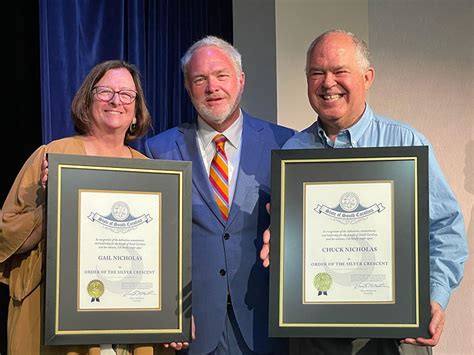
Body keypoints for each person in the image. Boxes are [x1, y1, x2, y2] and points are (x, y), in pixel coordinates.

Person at [260, 30, 468, 354]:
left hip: (394, 338)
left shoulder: (405, 144)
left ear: (367, 77)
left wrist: (435, 296)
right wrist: (281, 242)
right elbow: (288, 238)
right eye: (317, 73)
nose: (328, 83)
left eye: (340, 71)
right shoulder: (294, 151)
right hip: (314, 335)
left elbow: (446, 229)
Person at [0, 60, 183, 355]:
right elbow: (5, 233)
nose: (115, 100)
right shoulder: (53, 155)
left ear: (137, 111)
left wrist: (176, 316)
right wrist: (55, 203)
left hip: (130, 325)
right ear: (87, 100)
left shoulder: (151, 173)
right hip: (58, 322)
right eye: (105, 91)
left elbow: (165, 258)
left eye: (127, 94)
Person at [145, 36, 294, 354]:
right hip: (191, 324)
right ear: (188, 88)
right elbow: (150, 243)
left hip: (264, 323)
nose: (212, 87)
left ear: (240, 80)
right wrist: (166, 313)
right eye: (200, 79)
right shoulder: (158, 151)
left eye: (221, 75)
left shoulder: (284, 144)